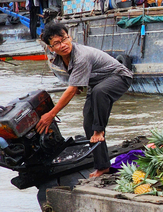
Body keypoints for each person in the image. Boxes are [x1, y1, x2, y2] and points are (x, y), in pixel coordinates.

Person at [36, 23, 133, 178]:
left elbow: (72, 90)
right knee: (88, 120)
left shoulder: (81, 56)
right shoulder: (59, 58)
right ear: (51, 48)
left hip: (119, 77)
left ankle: (99, 130)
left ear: (70, 37)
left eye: (64, 39)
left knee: (100, 93)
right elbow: (75, 80)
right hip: (95, 82)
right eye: (57, 43)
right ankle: (103, 166)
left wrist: (51, 114)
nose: (63, 45)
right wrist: (79, 83)